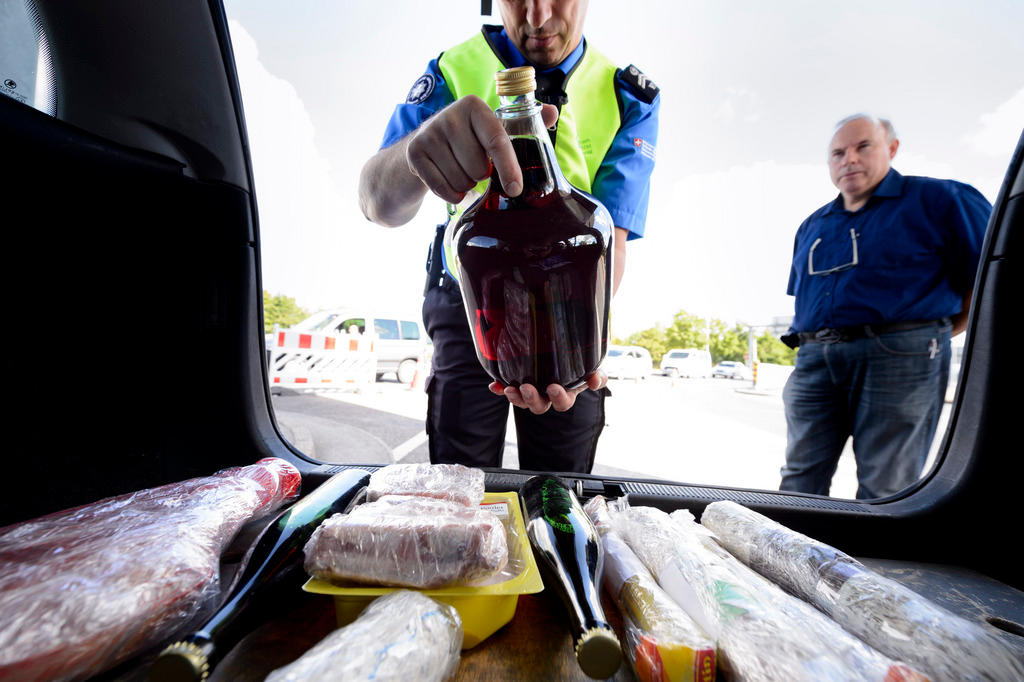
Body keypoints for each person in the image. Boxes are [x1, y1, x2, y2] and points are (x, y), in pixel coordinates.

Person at [358, 0, 660, 472]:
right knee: (461, 478)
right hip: (473, 305)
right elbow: (376, 202)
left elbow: (610, 242)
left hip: (571, 309)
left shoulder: (627, 95)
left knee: (561, 486)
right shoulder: (452, 69)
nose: (536, 17)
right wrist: (417, 152)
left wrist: (577, 336)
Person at [779, 114, 991, 499]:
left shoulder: (942, 200)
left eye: (863, 146)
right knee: (799, 479)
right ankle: (787, 559)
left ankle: (873, 562)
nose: (849, 160)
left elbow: (986, 282)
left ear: (891, 149)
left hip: (900, 356)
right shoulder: (813, 226)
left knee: (886, 485)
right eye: (838, 153)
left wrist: (930, 334)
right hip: (814, 359)